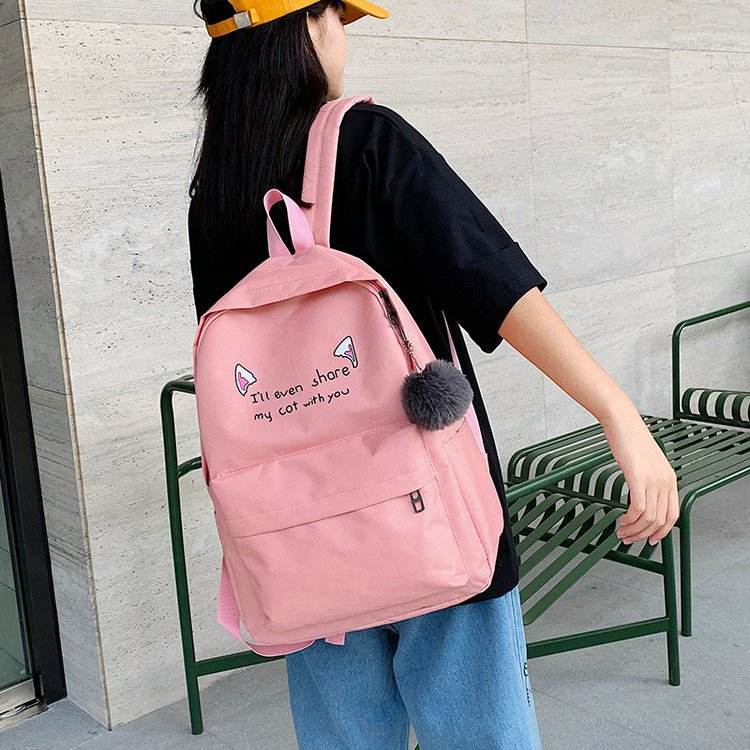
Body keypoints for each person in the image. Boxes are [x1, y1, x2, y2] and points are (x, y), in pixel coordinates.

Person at [187, 2, 680, 748]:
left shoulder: (216, 196)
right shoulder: (368, 141)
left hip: (296, 543)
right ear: (307, 28)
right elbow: (496, 287)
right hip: (428, 512)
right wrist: (619, 413)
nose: (342, 40)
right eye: (338, 18)